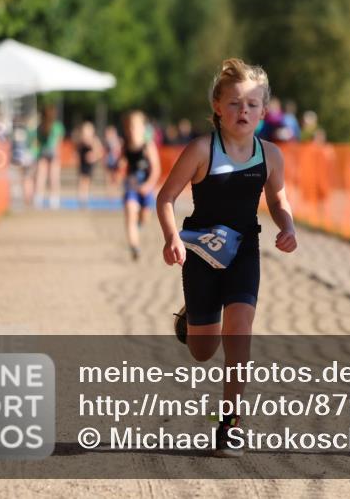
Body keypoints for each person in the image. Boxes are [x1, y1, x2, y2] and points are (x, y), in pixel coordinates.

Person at [156, 58, 297, 457]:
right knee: (203, 351)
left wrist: (287, 226)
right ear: (217, 105)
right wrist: (172, 239)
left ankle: (230, 423)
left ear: (264, 111)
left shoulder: (269, 155)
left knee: (240, 336)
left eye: (252, 104)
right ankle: (193, 315)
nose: (243, 111)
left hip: (244, 252)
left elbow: (278, 197)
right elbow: (165, 198)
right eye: (234, 103)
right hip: (200, 254)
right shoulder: (202, 149)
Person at [120, 110, 161, 261]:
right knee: (130, 213)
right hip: (131, 186)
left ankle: (137, 226)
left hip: (146, 186)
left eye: (135, 127)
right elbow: (122, 163)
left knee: (144, 218)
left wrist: (149, 185)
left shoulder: (148, 146)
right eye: (129, 127)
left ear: (143, 128)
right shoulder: (125, 146)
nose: (132, 130)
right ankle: (134, 247)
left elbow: (156, 169)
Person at [33, 105, 65, 209]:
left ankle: (38, 199)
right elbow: (59, 142)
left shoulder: (40, 126)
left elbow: (37, 142)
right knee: (54, 178)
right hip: (54, 153)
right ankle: (54, 200)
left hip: (43, 152)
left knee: (41, 177)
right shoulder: (58, 126)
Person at [75, 121, 104, 207]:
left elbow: (100, 152)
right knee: (81, 180)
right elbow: (77, 151)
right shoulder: (81, 141)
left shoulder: (94, 141)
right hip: (82, 163)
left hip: (89, 164)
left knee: (86, 181)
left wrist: (94, 156)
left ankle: (84, 198)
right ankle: (81, 198)